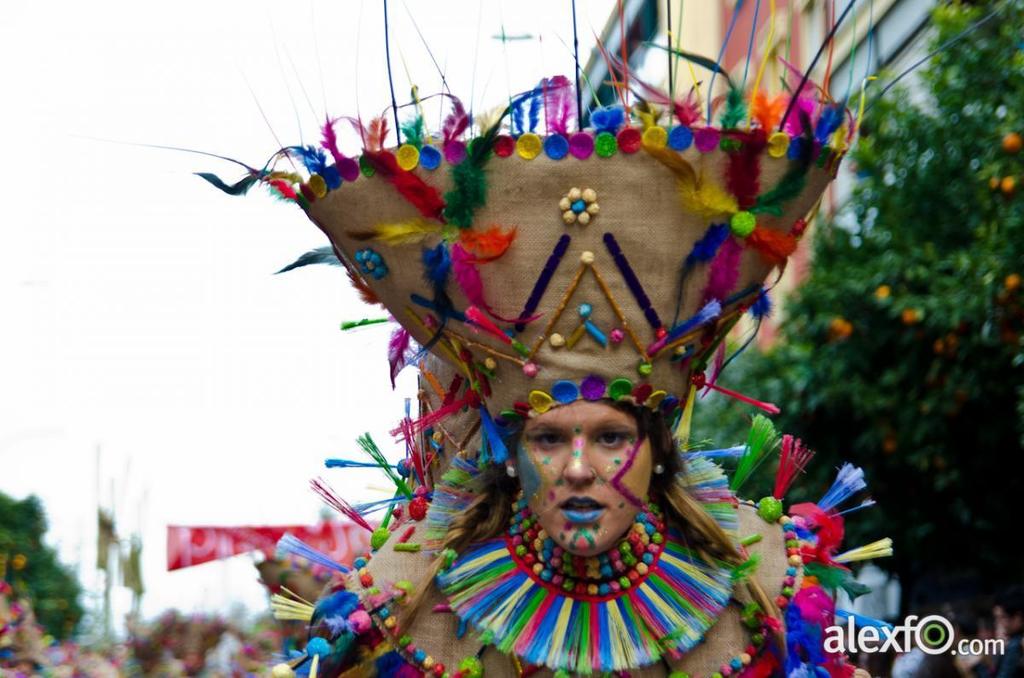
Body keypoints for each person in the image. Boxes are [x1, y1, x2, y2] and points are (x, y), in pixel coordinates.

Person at [205, 13, 887, 676]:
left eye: (612, 438)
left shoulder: (764, 590)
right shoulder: (413, 615)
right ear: (510, 456)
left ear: (657, 449)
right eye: (549, 439)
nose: (580, 469)